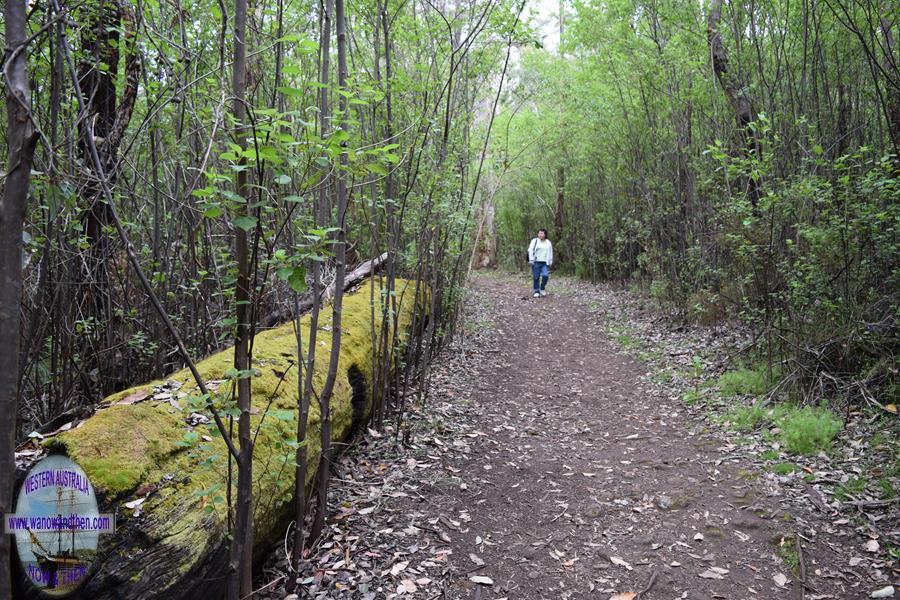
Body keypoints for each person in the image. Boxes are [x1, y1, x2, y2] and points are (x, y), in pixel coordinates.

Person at [527, 229, 553, 297]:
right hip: (536, 262)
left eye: (542, 233)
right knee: (536, 277)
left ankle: (542, 288)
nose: (540, 235)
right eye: (539, 233)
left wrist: (550, 261)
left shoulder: (548, 242)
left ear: (545, 235)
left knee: (545, 276)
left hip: (545, 262)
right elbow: (530, 250)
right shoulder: (534, 241)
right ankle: (536, 291)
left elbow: (550, 252)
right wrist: (531, 260)